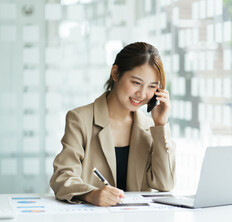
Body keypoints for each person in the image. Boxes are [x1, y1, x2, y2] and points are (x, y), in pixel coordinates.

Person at [50, 42, 176, 206]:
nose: (142, 94)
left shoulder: (148, 127)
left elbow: (164, 183)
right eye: (136, 83)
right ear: (116, 73)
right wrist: (91, 194)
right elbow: (62, 177)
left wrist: (161, 126)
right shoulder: (80, 119)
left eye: (152, 86)